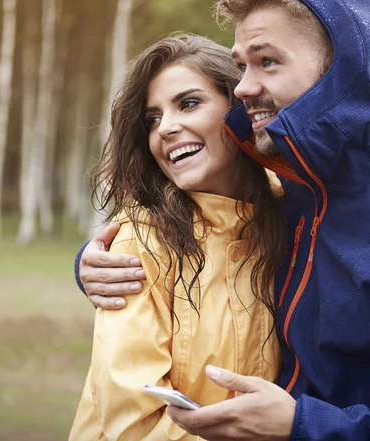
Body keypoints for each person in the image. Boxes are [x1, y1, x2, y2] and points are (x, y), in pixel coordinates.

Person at [75, 0, 370, 440]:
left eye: (267, 61)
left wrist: (302, 426)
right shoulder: (299, 185)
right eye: (241, 65)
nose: (242, 88)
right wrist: (96, 264)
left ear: (340, 64)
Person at [68, 34, 286, 441]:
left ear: (239, 109)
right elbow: (133, 420)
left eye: (188, 103)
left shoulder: (294, 217)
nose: (166, 128)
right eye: (152, 119)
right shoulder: (140, 240)